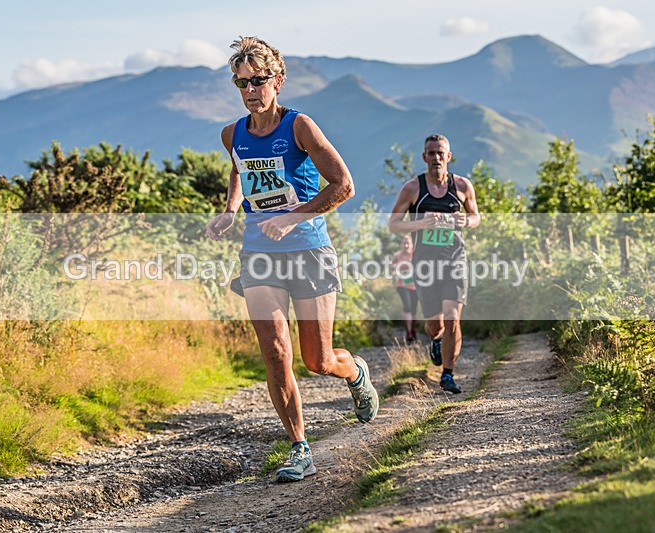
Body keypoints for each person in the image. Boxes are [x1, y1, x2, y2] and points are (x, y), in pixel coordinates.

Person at [205, 36, 379, 482]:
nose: (250, 90)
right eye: (241, 82)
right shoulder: (232, 134)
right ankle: (300, 447)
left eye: (258, 80)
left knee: (316, 360)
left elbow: (344, 185)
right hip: (260, 253)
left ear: (277, 80)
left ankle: (355, 371)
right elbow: (240, 169)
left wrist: (292, 216)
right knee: (276, 353)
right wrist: (229, 210)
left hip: (308, 249)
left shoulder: (300, 126)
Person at [388, 134, 480, 394]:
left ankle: (447, 375)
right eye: (431, 153)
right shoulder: (412, 188)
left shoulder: (462, 186)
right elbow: (393, 224)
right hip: (425, 265)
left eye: (441, 153)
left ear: (449, 157)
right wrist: (421, 223)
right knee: (435, 325)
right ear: (424, 157)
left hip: (455, 261)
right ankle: (436, 340)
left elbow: (476, 216)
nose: (436, 158)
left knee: (452, 319)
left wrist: (467, 222)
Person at [393, 234, 418, 342]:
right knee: (407, 307)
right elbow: (392, 266)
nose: (406, 245)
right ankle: (408, 333)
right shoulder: (398, 255)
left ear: (411, 244)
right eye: (404, 243)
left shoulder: (416, 254)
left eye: (408, 243)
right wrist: (394, 267)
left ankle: (413, 330)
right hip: (402, 285)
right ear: (401, 244)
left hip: (415, 286)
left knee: (414, 310)